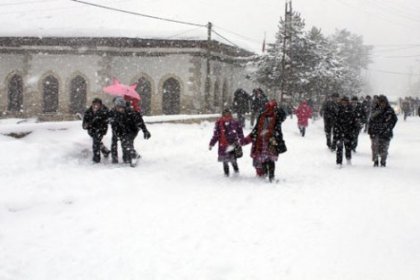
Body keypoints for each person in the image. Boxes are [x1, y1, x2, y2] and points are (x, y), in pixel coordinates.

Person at [242, 100, 287, 182]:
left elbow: (282, 117)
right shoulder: (262, 115)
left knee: (270, 159)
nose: (268, 109)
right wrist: (246, 140)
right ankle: (265, 175)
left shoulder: (277, 116)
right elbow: (256, 130)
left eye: (271, 107)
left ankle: (271, 176)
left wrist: (271, 133)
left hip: (271, 140)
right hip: (261, 141)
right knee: (263, 159)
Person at [109, 97, 151, 167]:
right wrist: (111, 121)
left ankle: (133, 156)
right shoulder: (113, 113)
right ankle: (129, 156)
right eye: (118, 107)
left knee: (127, 142)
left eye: (121, 107)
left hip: (132, 130)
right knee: (125, 157)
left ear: (124, 107)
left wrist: (145, 131)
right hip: (121, 131)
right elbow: (107, 119)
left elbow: (140, 121)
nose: (120, 109)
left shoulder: (130, 112)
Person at [209, 108, 244, 176]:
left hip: (232, 144)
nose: (227, 115)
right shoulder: (219, 123)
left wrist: (241, 140)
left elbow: (240, 132)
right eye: (225, 113)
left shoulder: (235, 122)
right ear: (223, 114)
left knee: (233, 160)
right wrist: (211, 144)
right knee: (225, 161)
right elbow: (216, 135)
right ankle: (226, 174)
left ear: (230, 114)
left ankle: (236, 172)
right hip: (223, 145)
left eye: (228, 113)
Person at [368, 95, 398, 167]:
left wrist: (389, 127)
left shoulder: (389, 110)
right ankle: (375, 161)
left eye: (383, 102)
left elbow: (394, 120)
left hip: (386, 133)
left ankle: (383, 161)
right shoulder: (375, 109)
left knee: (384, 148)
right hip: (375, 131)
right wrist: (370, 130)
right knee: (375, 147)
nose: (382, 104)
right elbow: (370, 120)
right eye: (380, 102)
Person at [82, 98, 110, 163]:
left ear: (100, 105)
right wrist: (87, 125)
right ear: (92, 104)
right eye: (94, 104)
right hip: (91, 130)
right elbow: (84, 125)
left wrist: (103, 119)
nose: (96, 106)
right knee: (97, 141)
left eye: (98, 104)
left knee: (96, 142)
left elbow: (108, 119)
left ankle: (96, 159)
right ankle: (105, 150)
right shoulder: (88, 112)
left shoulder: (104, 111)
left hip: (101, 130)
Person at [334, 96, 357, 167]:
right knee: (339, 147)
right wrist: (336, 129)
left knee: (348, 147)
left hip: (348, 132)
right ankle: (339, 162)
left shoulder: (351, 110)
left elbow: (354, 122)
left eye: (345, 102)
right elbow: (335, 121)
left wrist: (353, 130)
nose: (344, 103)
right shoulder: (338, 110)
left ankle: (348, 159)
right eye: (343, 102)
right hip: (339, 131)